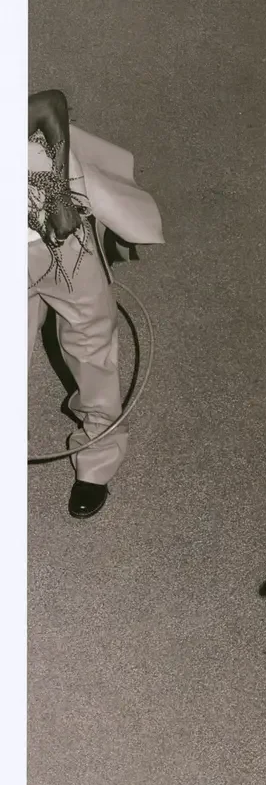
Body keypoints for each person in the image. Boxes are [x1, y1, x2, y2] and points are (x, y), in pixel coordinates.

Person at [28, 89, 125, 518]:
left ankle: (97, 460)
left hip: (54, 234)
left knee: (91, 345)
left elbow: (49, 105)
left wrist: (59, 197)